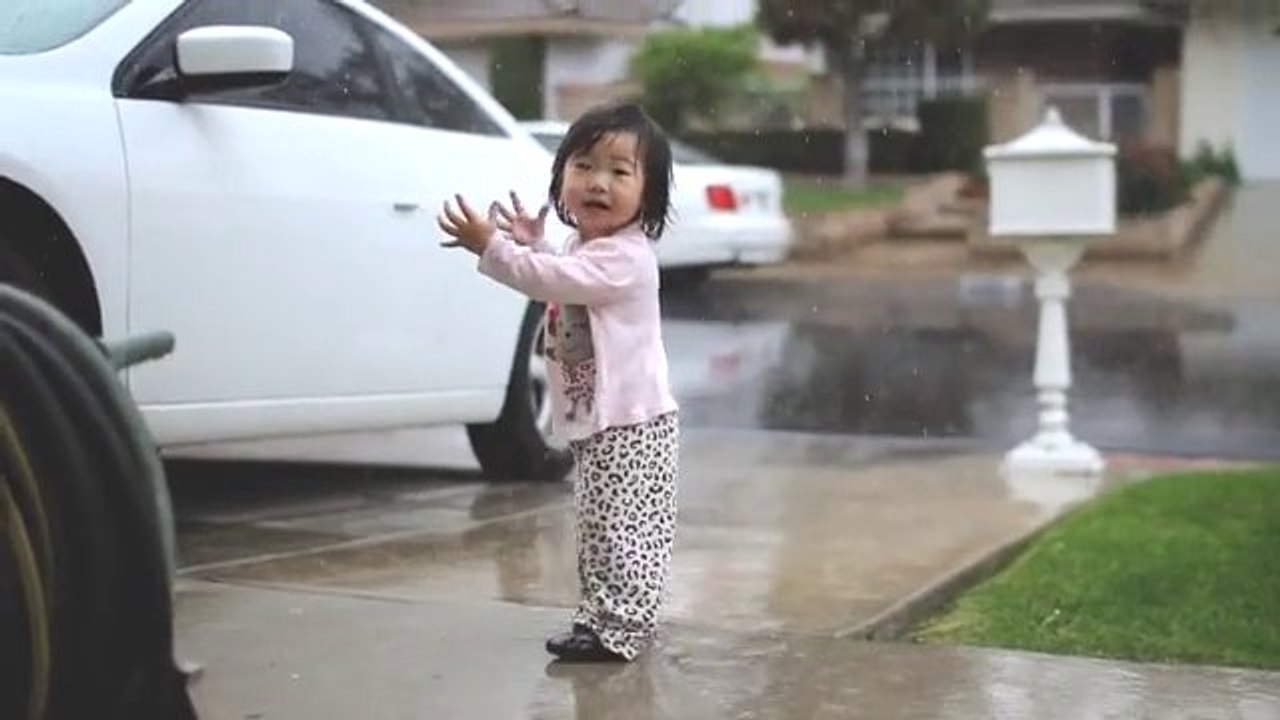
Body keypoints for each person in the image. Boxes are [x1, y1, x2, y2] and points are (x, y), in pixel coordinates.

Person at [437, 103, 679, 662]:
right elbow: (562, 276)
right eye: (583, 166)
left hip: (633, 424)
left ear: (649, 195)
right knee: (596, 528)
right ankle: (599, 620)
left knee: (624, 534)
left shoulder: (628, 259)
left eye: (620, 172)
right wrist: (532, 245)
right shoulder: (586, 250)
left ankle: (624, 629)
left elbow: (560, 281)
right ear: (561, 177)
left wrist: (495, 249)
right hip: (603, 420)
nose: (598, 183)